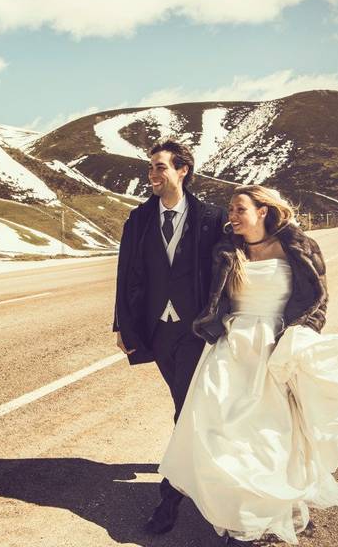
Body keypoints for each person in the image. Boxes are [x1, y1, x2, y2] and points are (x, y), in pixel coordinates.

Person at [159, 185, 338, 545]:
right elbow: (211, 296)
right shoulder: (227, 250)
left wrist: (299, 338)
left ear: (263, 210)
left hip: (277, 347)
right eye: (230, 210)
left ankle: (265, 514)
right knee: (221, 430)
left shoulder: (300, 247)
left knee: (269, 435)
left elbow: (318, 301)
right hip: (231, 346)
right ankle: (237, 514)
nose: (233, 216)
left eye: (240, 209)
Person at [113, 138, 227, 535]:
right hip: (158, 330)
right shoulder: (139, 219)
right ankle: (198, 476)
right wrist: (122, 325)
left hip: (197, 331)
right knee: (186, 405)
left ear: (183, 171)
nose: (153, 174)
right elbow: (126, 272)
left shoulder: (212, 218)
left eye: (161, 167)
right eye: (150, 168)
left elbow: (228, 274)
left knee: (187, 408)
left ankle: (171, 499)